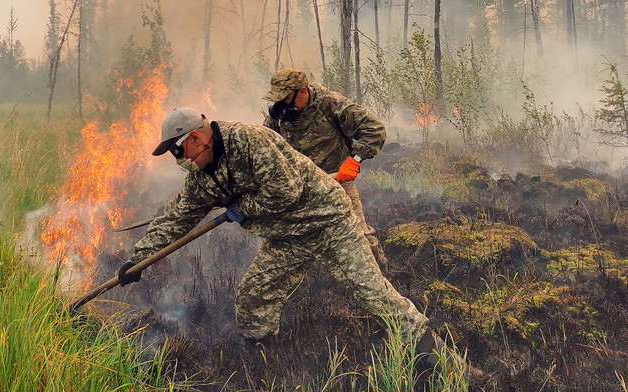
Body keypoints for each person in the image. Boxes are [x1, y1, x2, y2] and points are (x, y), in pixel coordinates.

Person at [117, 106, 472, 374]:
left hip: (327, 220)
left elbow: (286, 190)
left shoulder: (249, 141)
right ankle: (265, 368)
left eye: (178, 152)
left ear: (194, 138)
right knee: (254, 298)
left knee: (372, 292)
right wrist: (139, 258)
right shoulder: (202, 176)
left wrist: (243, 207)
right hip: (289, 236)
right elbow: (179, 215)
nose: (179, 161)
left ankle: (448, 365)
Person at [263, 68, 388, 271]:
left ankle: (385, 280)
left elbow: (375, 129)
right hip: (299, 188)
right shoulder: (280, 113)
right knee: (287, 246)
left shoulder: (330, 103)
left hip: (337, 182)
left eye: (286, 99)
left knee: (360, 238)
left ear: (302, 91)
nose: (282, 106)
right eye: (278, 100)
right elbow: (265, 143)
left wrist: (354, 161)